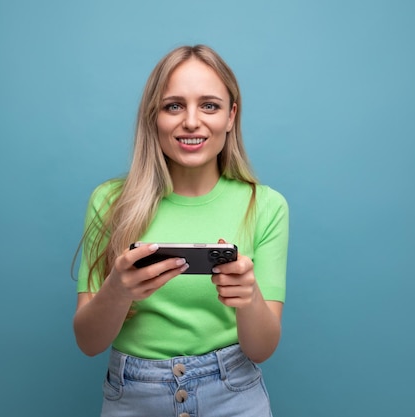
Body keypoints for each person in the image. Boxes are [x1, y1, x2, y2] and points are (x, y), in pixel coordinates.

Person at [72, 44, 289, 417]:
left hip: (234, 396)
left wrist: (249, 296)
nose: (191, 121)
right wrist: (118, 291)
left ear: (231, 116)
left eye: (209, 105)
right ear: (153, 116)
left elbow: (262, 349)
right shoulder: (109, 202)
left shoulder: (266, 206)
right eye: (174, 106)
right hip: (133, 396)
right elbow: (89, 343)